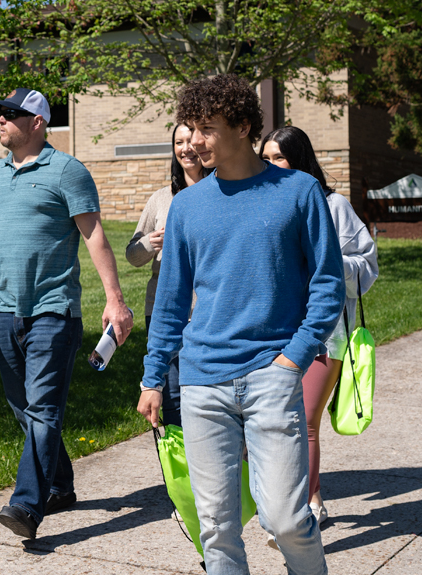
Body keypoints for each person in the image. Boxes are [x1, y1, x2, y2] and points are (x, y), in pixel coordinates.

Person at [136, 74, 343, 575]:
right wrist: (152, 376)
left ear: (243, 125)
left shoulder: (298, 191)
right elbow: (170, 302)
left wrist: (294, 355)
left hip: (271, 374)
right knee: (217, 525)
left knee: (286, 519)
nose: (195, 142)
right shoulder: (187, 206)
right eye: (191, 128)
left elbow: (328, 284)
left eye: (206, 129)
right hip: (202, 379)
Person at [0, 88, 134, 540]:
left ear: (37, 122)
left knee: (42, 408)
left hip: (53, 311)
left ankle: (27, 504)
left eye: (10, 114)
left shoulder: (67, 171)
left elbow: (95, 236)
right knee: (25, 409)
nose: (0, 121)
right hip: (3, 311)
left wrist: (115, 300)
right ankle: (60, 485)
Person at [261, 126, 378, 528]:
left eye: (279, 157)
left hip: (324, 337)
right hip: (270, 334)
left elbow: (367, 267)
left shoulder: (333, 205)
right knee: (271, 423)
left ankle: (306, 507)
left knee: (303, 421)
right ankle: (296, 499)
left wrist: (327, 263)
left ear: (300, 158)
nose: (271, 165)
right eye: (266, 158)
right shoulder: (262, 203)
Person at [125, 123, 214, 427]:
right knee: (173, 393)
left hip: (207, 310)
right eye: (178, 142)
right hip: (163, 310)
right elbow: (132, 255)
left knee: (209, 392)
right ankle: (183, 471)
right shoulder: (161, 198)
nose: (186, 148)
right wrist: (151, 242)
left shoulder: (221, 191)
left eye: (191, 140)